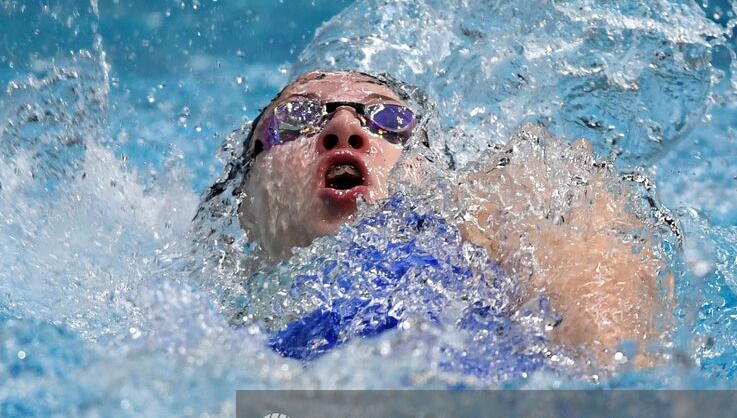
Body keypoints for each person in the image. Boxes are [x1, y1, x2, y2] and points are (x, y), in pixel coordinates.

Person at [207, 69, 672, 373]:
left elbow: (618, 375)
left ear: (427, 168)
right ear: (240, 199)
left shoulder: (489, 231)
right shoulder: (202, 321)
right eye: (298, 117)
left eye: (389, 119)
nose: (344, 128)